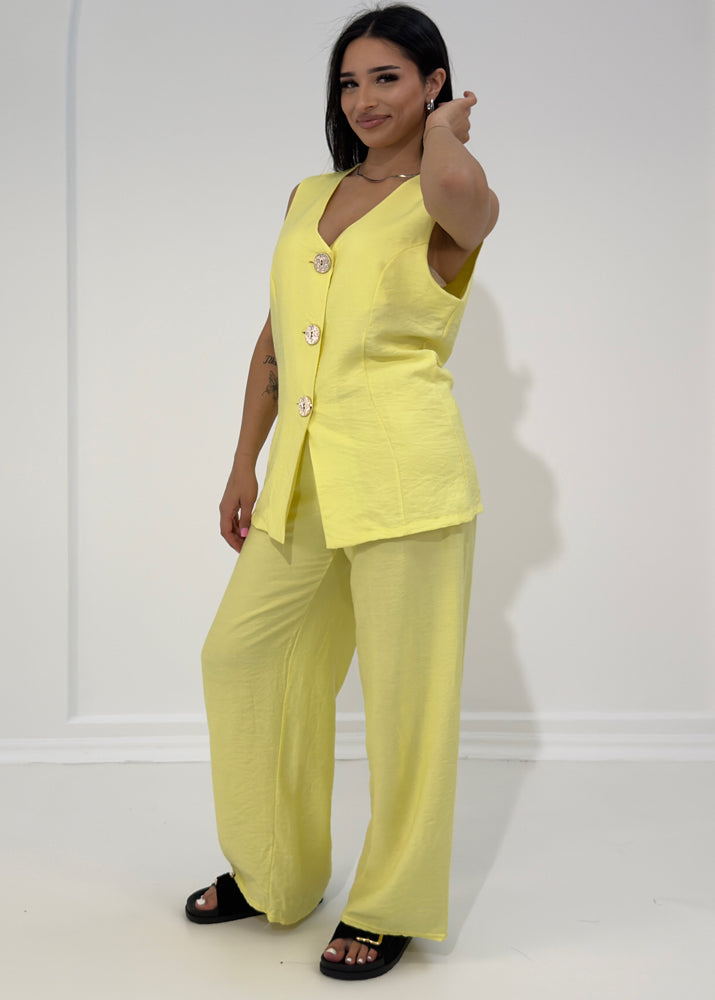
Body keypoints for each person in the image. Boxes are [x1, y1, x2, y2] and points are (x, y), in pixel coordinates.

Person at [184, 3, 498, 981]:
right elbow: (277, 331)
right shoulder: (308, 193)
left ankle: (387, 905)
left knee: (406, 706)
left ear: (432, 82)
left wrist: (444, 133)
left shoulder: (450, 192)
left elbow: (464, 197)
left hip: (408, 481)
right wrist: (245, 460)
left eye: (387, 78)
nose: (362, 98)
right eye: (348, 81)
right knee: (242, 657)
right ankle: (272, 871)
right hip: (303, 480)